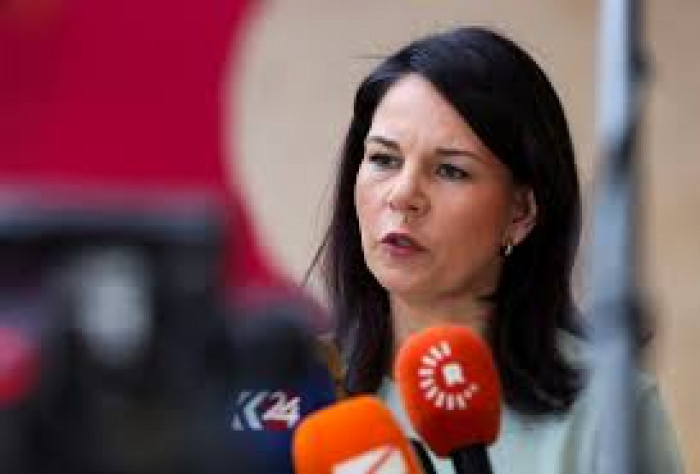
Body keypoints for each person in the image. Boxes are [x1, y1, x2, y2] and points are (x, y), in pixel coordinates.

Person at [310, 26, 684, 473]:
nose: (403, 194)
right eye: (384, 160)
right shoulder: (291, 399)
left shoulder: (611, 411)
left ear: (521, 212)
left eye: (450, 170)